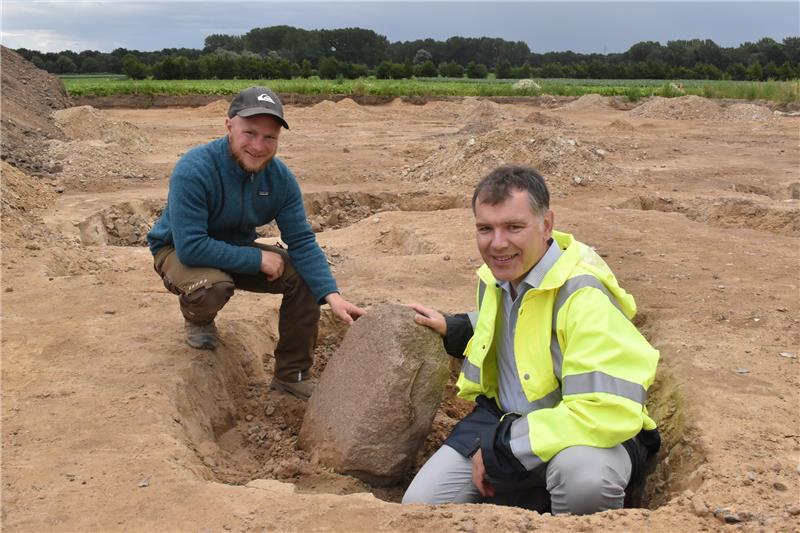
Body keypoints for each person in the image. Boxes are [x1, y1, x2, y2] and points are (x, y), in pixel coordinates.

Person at [402, 165, 660, 514]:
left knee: (585, 482)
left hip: (581, 431)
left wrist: (503, 449)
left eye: (513, 227)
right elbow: (514, 327)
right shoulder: (498, 277)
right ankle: (534, 499)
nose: (497, 243)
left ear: (547, 224)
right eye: (485, 229)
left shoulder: (584, 296)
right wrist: (456, 328)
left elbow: (606, 409)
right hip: (503, 419)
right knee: (420, 508)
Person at [146, 86, 364, 400]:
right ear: (229, 126)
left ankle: (292, 374)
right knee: (212, 287)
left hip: (233, 247)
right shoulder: (195, 169)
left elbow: (301, 241)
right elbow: (192, 246)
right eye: (249, 133)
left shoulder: (280, 180)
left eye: (269, 137)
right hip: (179, 250)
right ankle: (199, 318)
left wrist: (332, 295)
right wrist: (256, 260)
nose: (258, 146)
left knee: (302, 276)